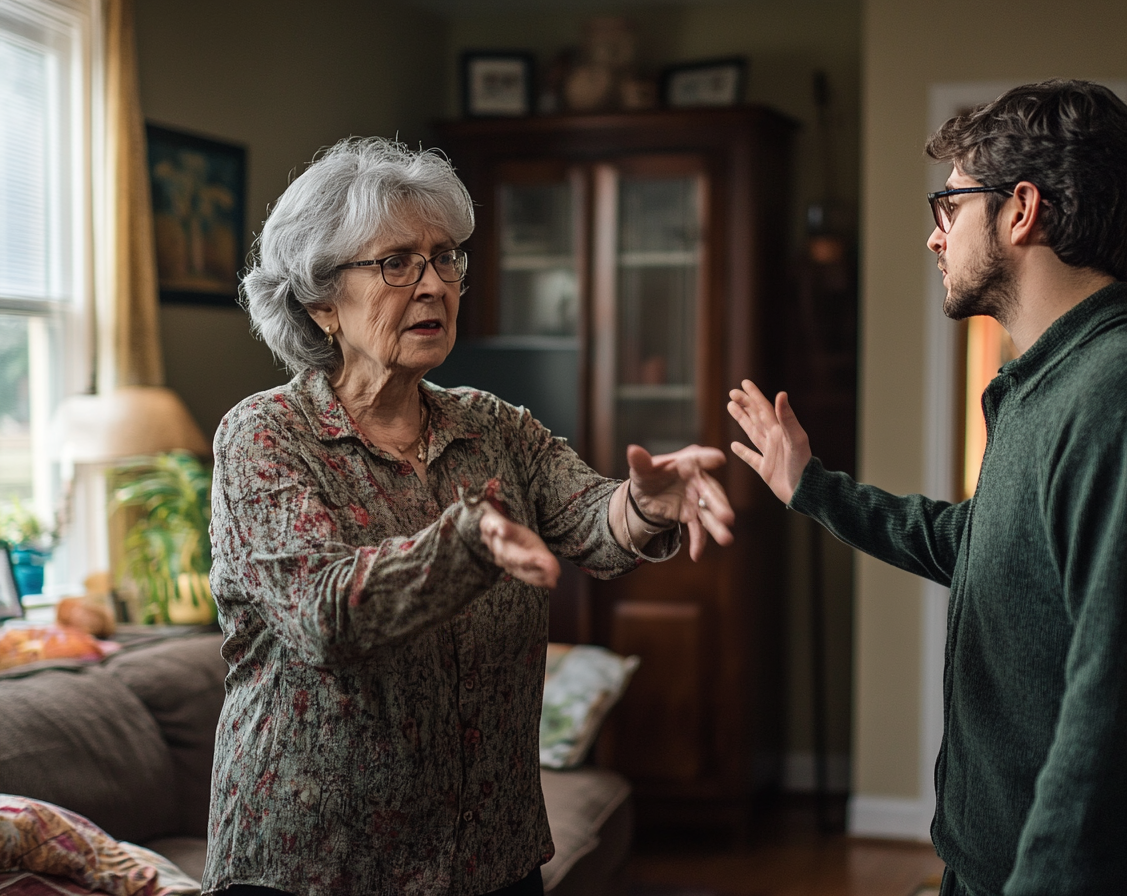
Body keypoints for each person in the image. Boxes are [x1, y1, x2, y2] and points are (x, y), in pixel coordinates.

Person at [729, 80, 1127, 896]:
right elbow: (986, 545)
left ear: (1021, 210)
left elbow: (1116, 729)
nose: (933, 237)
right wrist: (812, 487)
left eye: (949, 207)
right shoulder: (1057, 383)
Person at [204, 137, 734, 896]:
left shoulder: (493, 425)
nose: (433, 285)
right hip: (316, 863)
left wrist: (643, 506)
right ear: (321, 300)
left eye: (446, 257)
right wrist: (468, 542)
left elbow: (589, 516)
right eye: (397, 263)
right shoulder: (264, 435)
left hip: (488, 853)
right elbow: (324, 616)